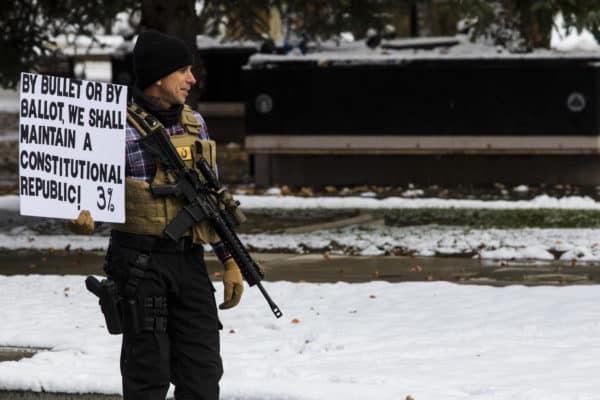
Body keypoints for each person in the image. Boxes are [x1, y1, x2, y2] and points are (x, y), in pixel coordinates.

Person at [71, 30, 244, 400]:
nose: (192, 79)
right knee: (148, 374)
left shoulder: (194, 123)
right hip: (139, 263)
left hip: (190, 262)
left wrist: (231, 261)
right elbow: (100, 200)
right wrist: (85, 216)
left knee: (203, 372)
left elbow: (213, 200)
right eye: (183, 70)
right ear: (158, 77)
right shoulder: (115, 128)